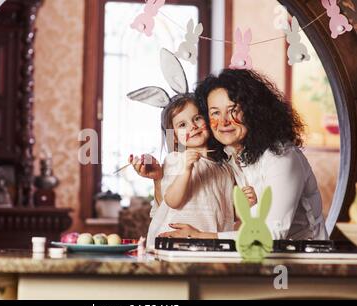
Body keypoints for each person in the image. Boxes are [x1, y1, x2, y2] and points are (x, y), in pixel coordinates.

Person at [158, 69, 328, 241]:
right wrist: (157, 178)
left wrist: (201, 237)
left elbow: (272, 234)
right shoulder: (229, 159)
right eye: (215, 112)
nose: (224, 121)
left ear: (253, 111)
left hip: (303, 261)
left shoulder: (282, 157)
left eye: (233, 110)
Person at [129, 93, 256, 250]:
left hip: (211, 244)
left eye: (197, 118)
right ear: (174, 137)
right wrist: (186, 169)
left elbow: (227, 212)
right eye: (182, 125)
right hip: (176, 244)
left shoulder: (225, 167)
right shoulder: (176, 159)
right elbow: (171, 200)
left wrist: (243, 205)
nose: (192, 126)